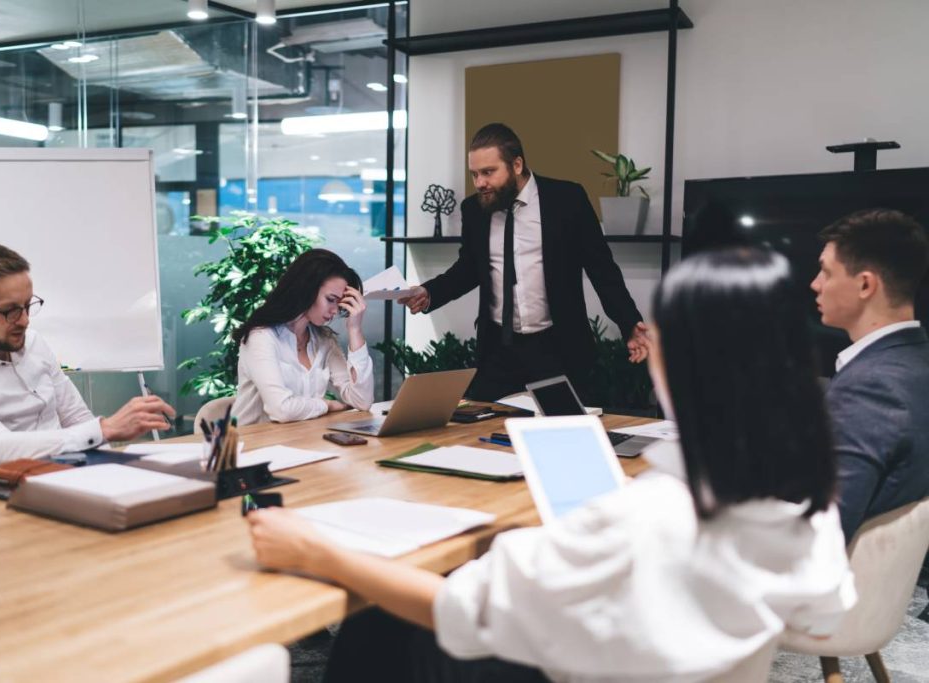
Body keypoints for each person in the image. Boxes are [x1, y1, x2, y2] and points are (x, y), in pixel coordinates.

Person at [248, 247, 856, 682]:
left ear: (684, 365)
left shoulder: (640, 523)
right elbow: (825, 613)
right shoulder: (805, 501)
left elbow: (465, 611)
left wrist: (316, 553)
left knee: (380, 620)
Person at [398, 123, 649, 403]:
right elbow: (469, 268)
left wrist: (629, 323)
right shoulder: (475, 209)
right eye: (474, 174)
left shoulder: (568, 200)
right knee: (484, 435)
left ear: (517, 165)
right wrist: (430, 292)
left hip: (556, 347)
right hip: (498, 349)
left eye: (488, 172)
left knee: (563, 432)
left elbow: (603, 271)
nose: (480, 183)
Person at [0, 243, 174, 474]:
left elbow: (76, 417)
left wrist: (112, 469)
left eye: (28, 305)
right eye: (10, 311)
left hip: (67, 478)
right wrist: (103, 429)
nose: (24, 320)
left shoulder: (33, 343)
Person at [810, 208, 929, 543]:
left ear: (865, 284)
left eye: (825, 272)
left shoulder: (870, 388)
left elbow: (818, 538)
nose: (815, 284)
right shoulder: (916, 364)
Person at [230, 248, 374, 425]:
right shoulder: (261, 337)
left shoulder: (324, 340)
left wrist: (355, 330)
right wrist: (325, 405)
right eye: (330, 299)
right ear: (306, 289)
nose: (335, 311)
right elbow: (281, 410)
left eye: (339, 303)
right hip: (251, 446)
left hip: (300, 441)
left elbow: (362, 401)